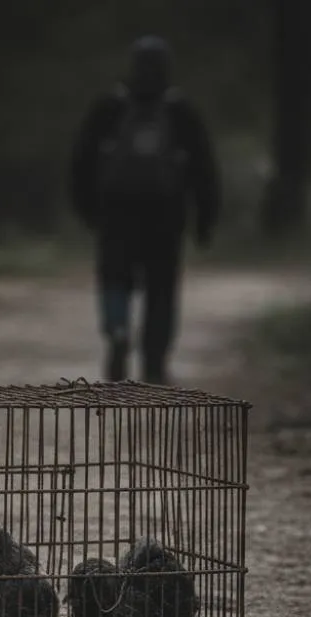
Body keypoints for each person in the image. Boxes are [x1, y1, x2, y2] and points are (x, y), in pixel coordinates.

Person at [69, 36, 220, 384]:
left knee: (115, 279)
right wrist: (205, 219)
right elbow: (204, 168)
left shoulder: (109, 107)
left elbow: (81, 162)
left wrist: (88, 210)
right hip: (166, 215)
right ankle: (154, 361)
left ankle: (118, 334)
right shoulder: (180, 111)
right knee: (161, 290)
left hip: (116, 213)